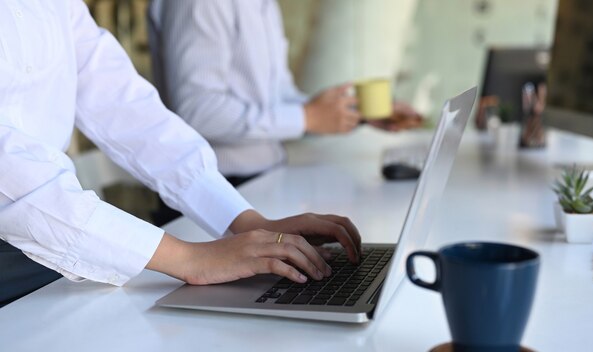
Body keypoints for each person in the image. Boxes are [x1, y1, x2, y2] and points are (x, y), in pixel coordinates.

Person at [0, 0, 361, 307]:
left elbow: (124, 105)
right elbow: (11, 172)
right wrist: (190, 257)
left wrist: (244, 221)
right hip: (41, 236)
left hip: (54, 244)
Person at [147, 0, 422, 187]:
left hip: (263, 182)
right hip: (214, 189)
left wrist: (355, 113)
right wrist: (306, 118)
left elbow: (277, 99)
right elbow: (199, 111)